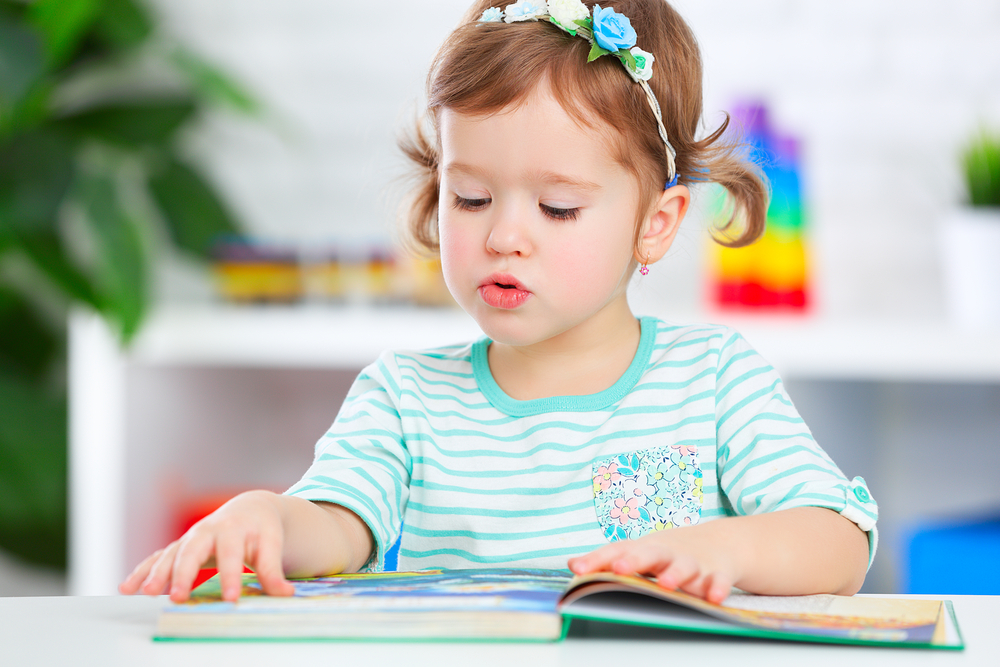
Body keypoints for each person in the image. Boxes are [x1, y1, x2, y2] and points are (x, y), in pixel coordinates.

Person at [120, 0, 878, 606]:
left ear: (655, 225)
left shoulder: (714, 380)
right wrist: (269, 517)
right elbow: (337, 526)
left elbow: (840, 544)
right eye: (472, 196)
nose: (505, 235)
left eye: (557, 207)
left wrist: (724, 548)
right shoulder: (404, 398)